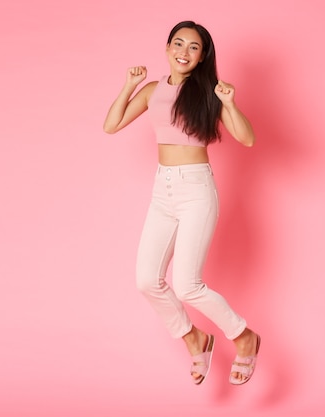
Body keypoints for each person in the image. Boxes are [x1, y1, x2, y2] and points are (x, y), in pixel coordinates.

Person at [103, 20, 261, 385]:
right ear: (167, 48)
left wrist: (230, 103)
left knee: (188, 284)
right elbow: (111, 125)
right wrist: (129, 85)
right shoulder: (152, 90)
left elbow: (248, 139)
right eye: (179, 43)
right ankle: (195, 338)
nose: (184, 52)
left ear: (203, 56)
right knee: (147, 280)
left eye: (194, 47)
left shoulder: (207, 93)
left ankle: (244, 337)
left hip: (196, 189)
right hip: (163, 189)